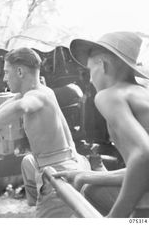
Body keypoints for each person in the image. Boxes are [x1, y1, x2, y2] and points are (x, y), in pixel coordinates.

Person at [0, 47, 90, 217]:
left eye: (6, 72)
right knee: (28, 161)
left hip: (60, 174)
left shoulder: (36, 97)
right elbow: (1, 109)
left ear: (20, 72)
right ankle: (37, 198)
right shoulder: (42, 91)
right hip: (65, 163)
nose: (4, 78)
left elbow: (21, 107)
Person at [55, 31, 149, 217]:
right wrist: (87, 176)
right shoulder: (141, 93)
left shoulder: (110, 95)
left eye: (90, 71)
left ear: (103, 65)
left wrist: (116, 217)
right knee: (92, 189)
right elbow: (142, 169)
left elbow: (144, 153)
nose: (90, 79)